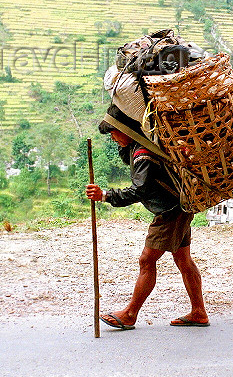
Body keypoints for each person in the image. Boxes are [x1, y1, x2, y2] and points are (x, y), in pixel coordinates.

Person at [85, 105, 208, 330]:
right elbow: (127, 155)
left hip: (170, 212)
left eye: (114, 132)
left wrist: (104, 195)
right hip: (178, 206)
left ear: (126, 129)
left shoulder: (144, 155)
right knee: (183, 260)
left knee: (147, 260)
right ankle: (199, 312)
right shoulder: (136, 146)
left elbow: (138, 190)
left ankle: (130, 314)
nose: (112, 138)